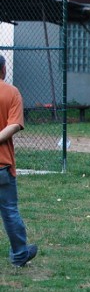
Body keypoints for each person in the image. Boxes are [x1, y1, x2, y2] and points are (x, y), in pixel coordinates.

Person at [0, 55, 38, 267]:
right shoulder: (11, 92)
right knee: (9, 211)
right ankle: (19, 254)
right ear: (3, 69)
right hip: (2, 166)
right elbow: (14, 125)